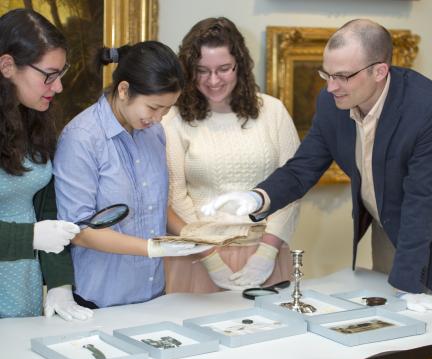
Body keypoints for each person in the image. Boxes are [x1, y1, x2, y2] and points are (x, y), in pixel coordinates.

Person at [203, 20, 432, 309]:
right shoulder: (331, 102)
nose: (331, 86)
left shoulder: (428, 107)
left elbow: (423, 199)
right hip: (388, 233)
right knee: (396, 339)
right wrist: (256, 197)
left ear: (379, 71)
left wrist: (409, 285)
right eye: (327, 74)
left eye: (343, 76)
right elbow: (303, 167)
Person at [53, 41, 209, 309]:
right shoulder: (81, 138)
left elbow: (157, 204)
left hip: (152, 292)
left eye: (167, 109)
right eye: (153, 107)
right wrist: (152, 248)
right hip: (99, 299)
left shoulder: (154, 133)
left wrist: (194, 237)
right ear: (124, 90)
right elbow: (78, 230)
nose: (159, 118)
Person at [163, 17, 300, 293]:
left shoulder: (273, 112)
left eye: (224, 69)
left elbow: (293, 185)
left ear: (240, 64)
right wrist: (210, 257)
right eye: (202, 71)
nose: (213, 80)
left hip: (267, 253)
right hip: (197, 256)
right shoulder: (173, 118)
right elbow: (174, 195)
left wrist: (266, 254)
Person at [0, 8, 93, 320]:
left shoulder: (31, 116)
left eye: (61, 74)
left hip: (21, 279)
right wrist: (31, 237)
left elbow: (47, 209)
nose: (58, 87)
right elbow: (39, 231)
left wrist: (59, 283)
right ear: (7, 65)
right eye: (48, 76)